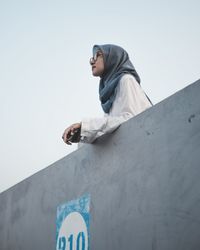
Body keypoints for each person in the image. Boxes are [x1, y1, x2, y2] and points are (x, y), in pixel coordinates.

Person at [62, 44, 152, 145]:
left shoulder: (126, 80)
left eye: (98, 55)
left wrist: (86, 126)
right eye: (92, 58)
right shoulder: (109, 93)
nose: (92, 62)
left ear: (113, 58)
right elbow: (111, 125)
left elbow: (130, 119)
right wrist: (82, 133)